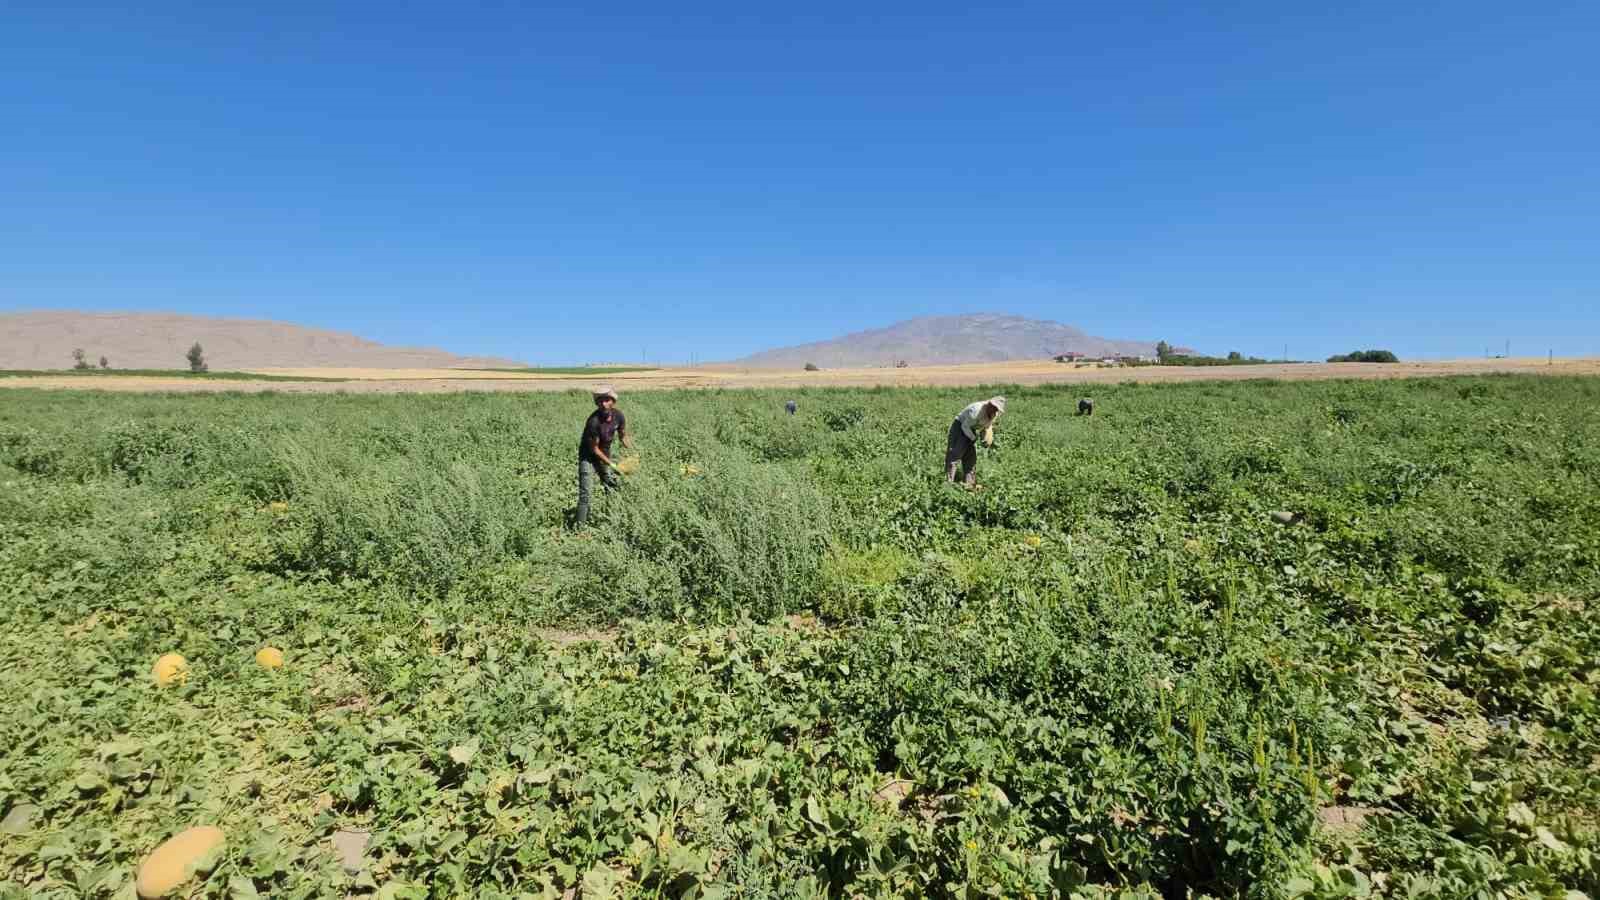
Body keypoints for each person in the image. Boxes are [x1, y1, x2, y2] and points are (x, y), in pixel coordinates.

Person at [576, 386, 631, 527]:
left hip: (605, 454)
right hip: (588, 457)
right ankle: (580, 529)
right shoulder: (593, 422)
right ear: (597, 403)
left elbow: (622, 434)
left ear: (613, 401)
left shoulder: (618, 416)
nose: (604, 404)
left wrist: (631, 450)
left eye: (607, 400)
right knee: (586, 493)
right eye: (600, 401)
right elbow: (594, 449)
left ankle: (612, 519)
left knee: (612, 486)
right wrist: (612, 464)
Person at [945, 396, 1004, 486]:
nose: (994, 410)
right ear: (989, 404)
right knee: (955, 454)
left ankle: (969, 485)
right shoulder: (976, 410)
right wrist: (973, 438)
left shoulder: (994, 414)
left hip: (971, 429)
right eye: (993, 407)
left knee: (970, 457)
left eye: (996, 409)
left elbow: (988, 426)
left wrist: (986, 437)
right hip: (960, 426)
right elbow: (964, 426)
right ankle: (948, 484)